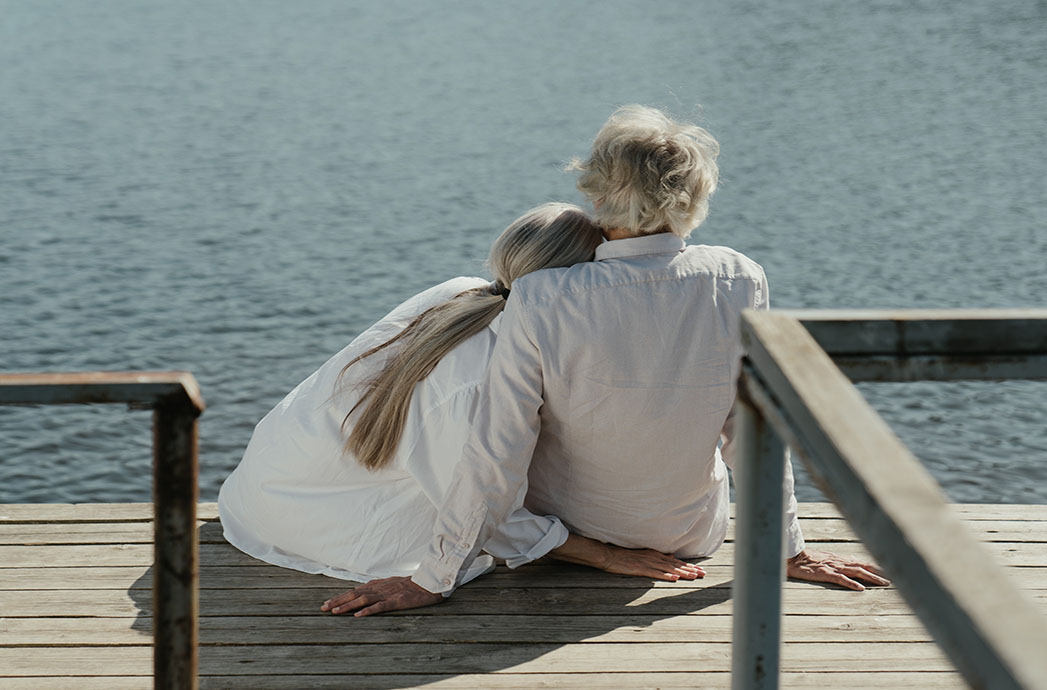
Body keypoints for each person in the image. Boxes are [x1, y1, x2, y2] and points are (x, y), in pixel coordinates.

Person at [323, 106, 888, 617]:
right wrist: (786, 548)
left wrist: (434, 578)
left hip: (571, 532)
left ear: (597, 195)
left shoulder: (543, 296)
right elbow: (750, 427)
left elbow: (497, 451)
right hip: (688, 536)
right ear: (696, 199)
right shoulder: (740, 277)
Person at [218, 202, 706, 600]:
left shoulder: (462, 293)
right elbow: (486, 514)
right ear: (566, 285)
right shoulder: (484, 375)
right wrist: (606, 555)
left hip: (267, 487)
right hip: (317, 522)